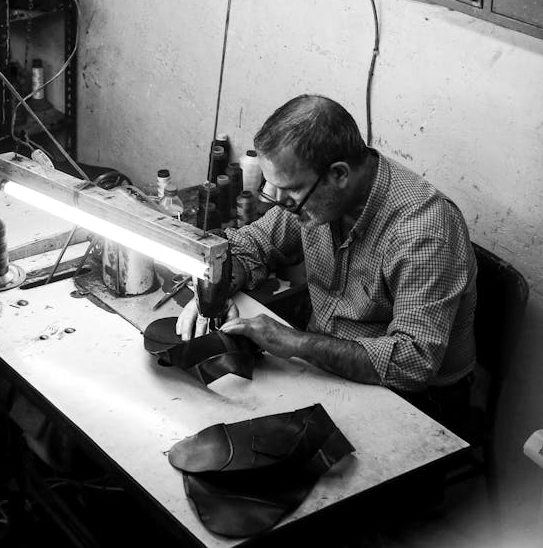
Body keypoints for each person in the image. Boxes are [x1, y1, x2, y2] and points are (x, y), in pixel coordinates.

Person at [177, 94, 477, 430]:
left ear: (339, 174)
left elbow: (413, 362)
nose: (279, 202)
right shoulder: (319, 194)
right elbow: (254, 243)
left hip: (417, 403)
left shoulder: (423, 232)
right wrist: (216, 288)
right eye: (273, 188)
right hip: (324, 365)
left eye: (290, 191)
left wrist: (295, 342)